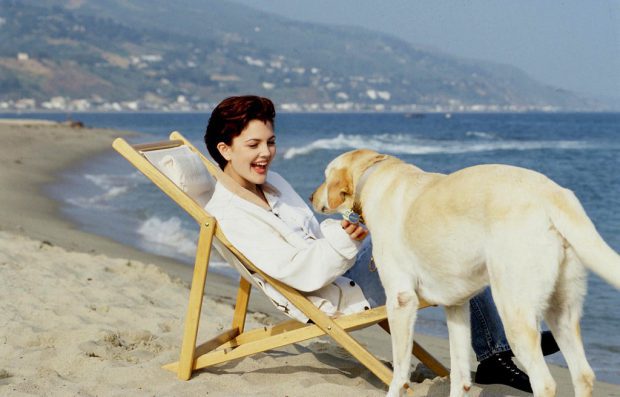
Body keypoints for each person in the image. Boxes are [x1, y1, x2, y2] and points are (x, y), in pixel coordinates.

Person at [203, 95, 558, 392]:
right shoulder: (230, 215)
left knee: (451, 230)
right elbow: (300, 274)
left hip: (343, 267)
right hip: (336, 293)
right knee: (453, 238)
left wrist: (348, 231)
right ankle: (501, 348)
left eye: (270, 142)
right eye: (253, 145)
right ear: (225, 149)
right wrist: (345, 239)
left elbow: (311, 233)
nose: (266, 153)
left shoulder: (272, 183)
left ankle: (500, 346)